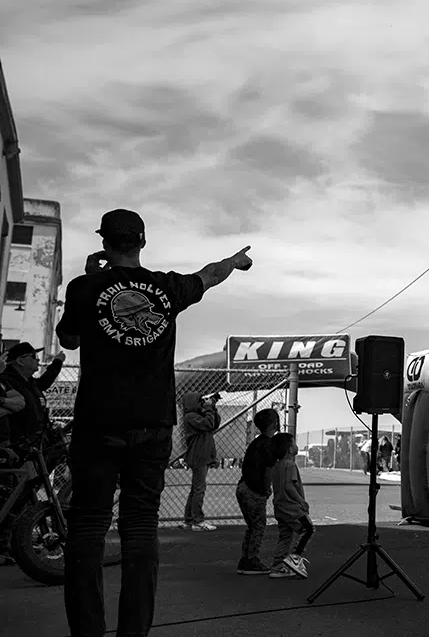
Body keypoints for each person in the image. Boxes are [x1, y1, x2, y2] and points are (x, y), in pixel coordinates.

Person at [56, 208, 253, 637]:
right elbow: (210, 274)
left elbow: (68, 339)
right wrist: (235, 261)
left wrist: (91, 279)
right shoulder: (166, 287)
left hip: (98, 421)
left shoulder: (85, 287)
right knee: (141, 526)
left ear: (105, 243)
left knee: (87, 525)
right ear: (142, 242)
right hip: (152, 423)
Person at [235, 408, 281, 575]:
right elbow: (268, 470)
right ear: (274, 424)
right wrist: (267, 489)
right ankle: (251, 560)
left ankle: (246, 558)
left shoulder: (256, 442)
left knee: (252, 526)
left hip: (243, 486)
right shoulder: (269, 445)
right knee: (259, 526)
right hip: (254, 490)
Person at [0, 342, 66, 450]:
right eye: (34, 356)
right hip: (16, 448)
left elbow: (45, 381)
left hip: (36, 445)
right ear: (20, 361)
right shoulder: (6, 382)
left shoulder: (30, 382)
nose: (38, 360)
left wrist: (58, 362)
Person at [269, 432, 314, 579]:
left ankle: (278, 566)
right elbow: (289, 486)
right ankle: (295, 558)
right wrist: (301, 501)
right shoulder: (290, 465)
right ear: (289, 449)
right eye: (294, 443)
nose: (296, 445)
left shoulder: (277, 466)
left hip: (280, 507)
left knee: (286, 535)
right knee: (308, 529)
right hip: (291, 508)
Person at [181, 391, 220, 532]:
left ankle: (189, 520)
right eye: (200, 401)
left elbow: (214, 424)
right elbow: (208, 424)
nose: (202, 403)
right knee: (199, 489)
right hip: (199, 456)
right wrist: (208, 409)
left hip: (201, 455)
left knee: (195, 489)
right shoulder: (191, 417)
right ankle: (197, 521)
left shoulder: (197, 415)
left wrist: (212, 408)